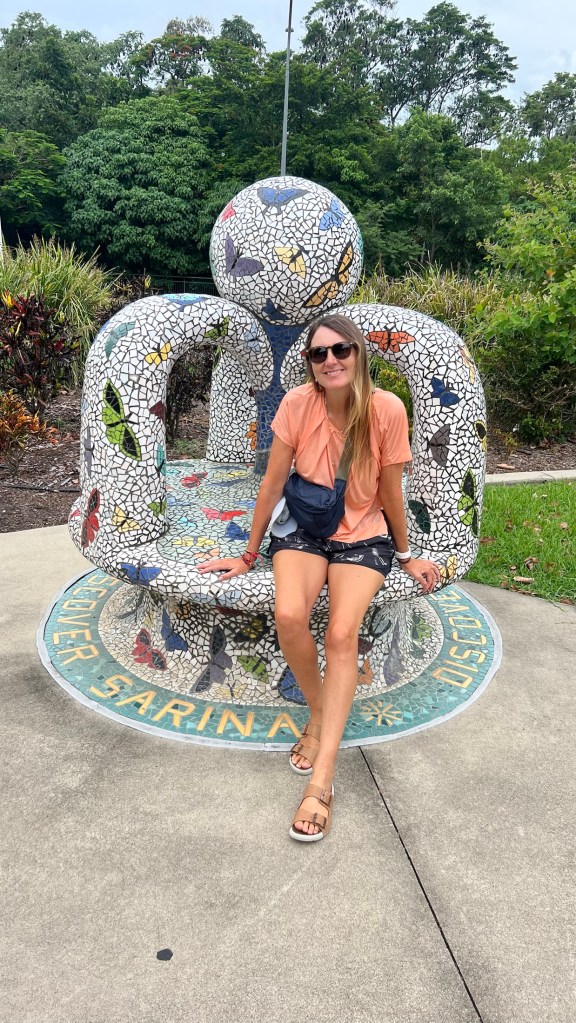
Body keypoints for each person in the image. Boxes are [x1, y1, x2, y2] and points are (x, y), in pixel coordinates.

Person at [198, 314, 440, 842]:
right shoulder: (297, 404)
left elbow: (391, 491)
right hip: (304, 529)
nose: (330, 360)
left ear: (358, 353)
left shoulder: (386, 409)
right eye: (318, 353)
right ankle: (318, 712)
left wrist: (406, 554)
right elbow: (272, 482)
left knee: (340, 634)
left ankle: (323, 777)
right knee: (289, 615)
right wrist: (248, 554)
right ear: (310, 363)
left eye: (340, 350)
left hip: (363, 535)